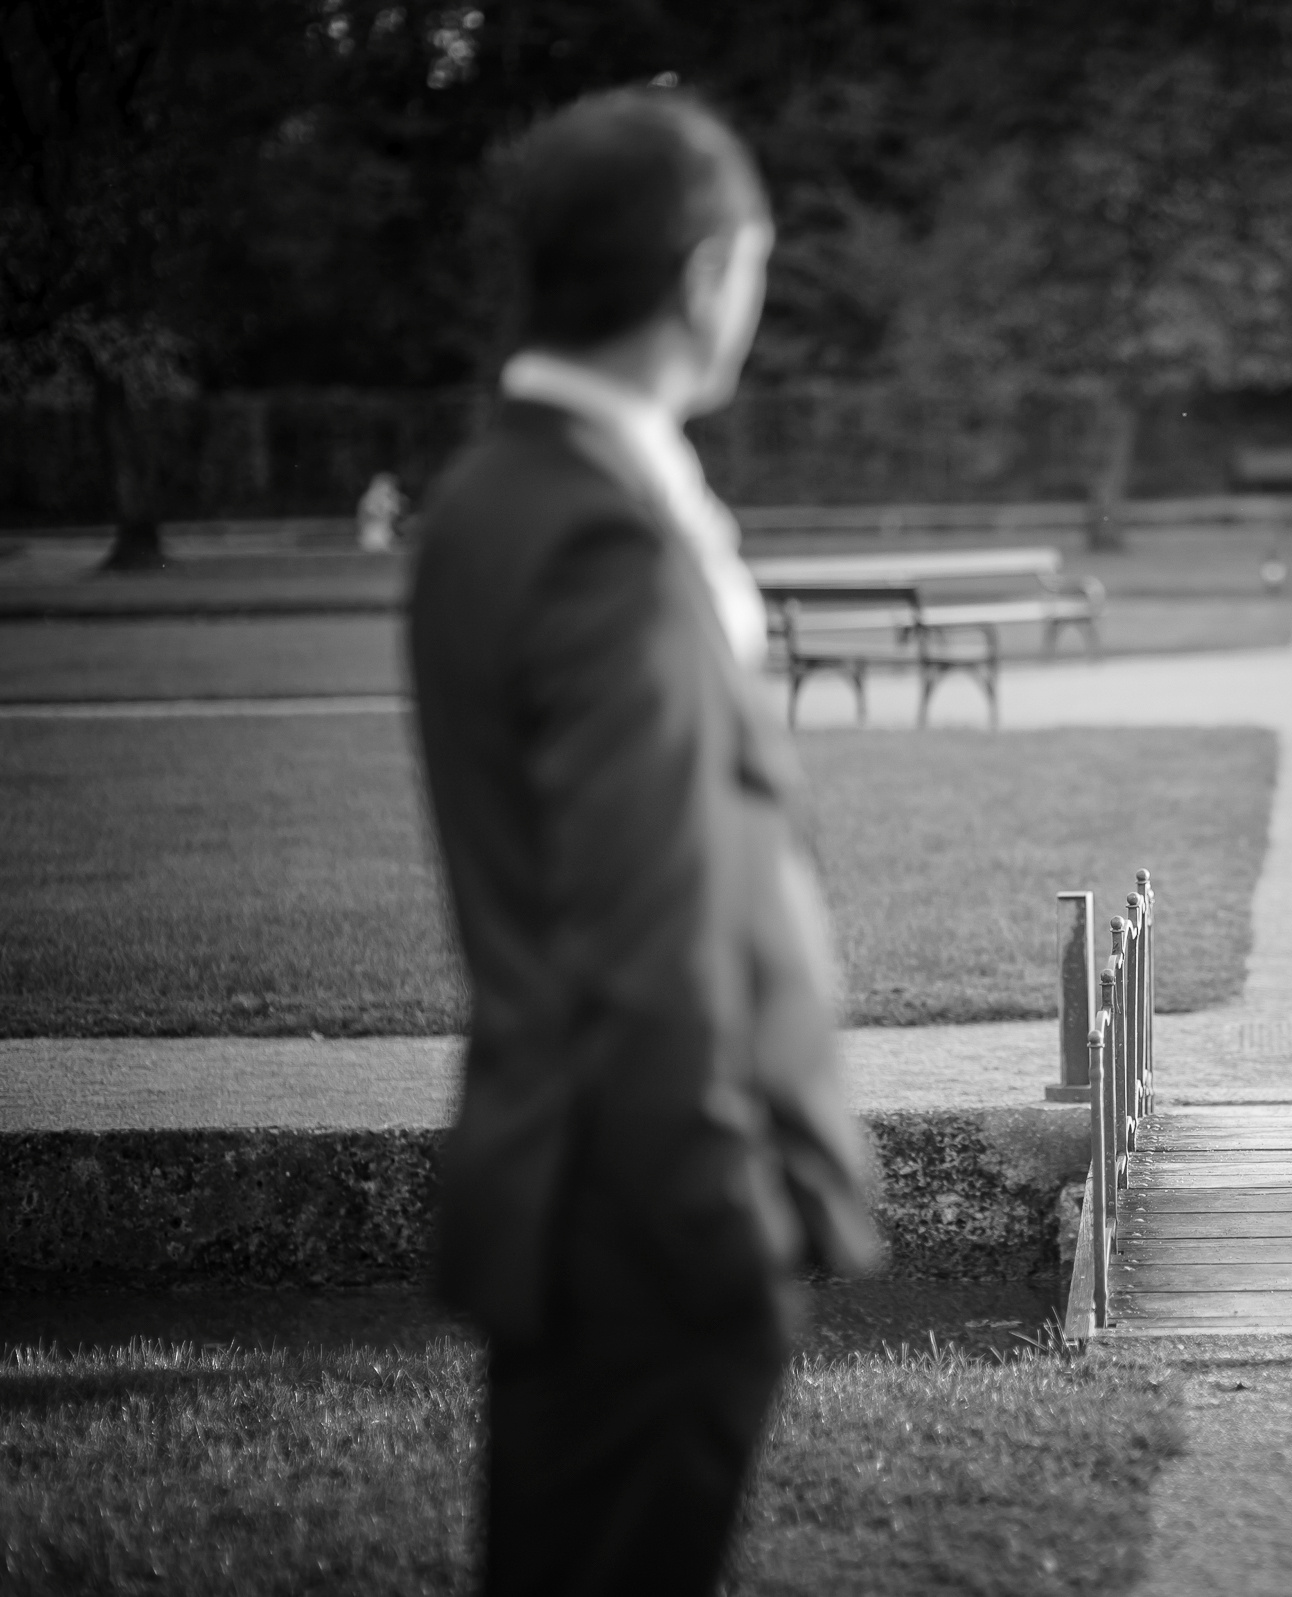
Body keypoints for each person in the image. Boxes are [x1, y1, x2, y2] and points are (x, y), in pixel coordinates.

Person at [407, 89, 880, 1596]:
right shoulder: (607, 527)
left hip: (577, 1186)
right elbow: (648, 914)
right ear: (703, 276)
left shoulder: (492, 495)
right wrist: (727, 1229)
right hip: (652, 1213)